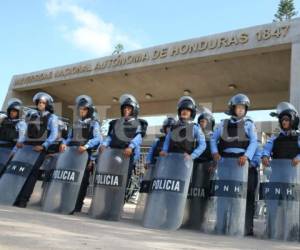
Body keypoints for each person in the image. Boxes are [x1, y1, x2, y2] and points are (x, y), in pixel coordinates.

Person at [14, 92, 59, 207]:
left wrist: (44, 146)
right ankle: (16, 196)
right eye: (39, 102)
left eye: (43, 103)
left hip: (39, 148)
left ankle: (24, 199)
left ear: (47, 104)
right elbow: (26, 132)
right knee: (21, 171)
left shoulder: (52, 117)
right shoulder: (32, 115)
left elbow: (53, 135)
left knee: (32, 174)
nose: (40, 104)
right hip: (26, 147)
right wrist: (21, 142)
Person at [60, 95, 102, 212]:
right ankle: (65, 201)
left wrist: (86, 146)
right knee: (68, 177)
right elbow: (69, 137)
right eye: (80, 109)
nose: (82, 111)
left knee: (82, 181)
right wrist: (64, 143)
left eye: (84, 109)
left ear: (89, 110)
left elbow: (98, 139)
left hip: (84, 155)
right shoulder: (76, 123)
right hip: (72, 154)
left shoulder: (94, 123)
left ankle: (76, 205)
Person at [100, 94, 148, 191]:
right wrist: (104, 144)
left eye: (129, 109)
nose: (126, 110)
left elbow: (138, 137)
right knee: (109, 181)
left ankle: (118, 204)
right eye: (124, 108)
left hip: (127, 156)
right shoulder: (116, 123)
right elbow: (110, 136)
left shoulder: (138, 123)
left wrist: (130, 147)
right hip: (113, 155)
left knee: (122, 183)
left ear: (134, 110)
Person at [210, 93, 258, 165]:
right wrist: (215, 152)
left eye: (243, 108)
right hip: (224, 160)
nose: (241, 110)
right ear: (233, 108)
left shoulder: (249, 124)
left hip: (241, 160)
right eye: (239, 107)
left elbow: (254, 141)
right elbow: (213, 139)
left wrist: (246, 156)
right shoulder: (223, 124)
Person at [160, 96, 206, 162]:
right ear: (179, 111)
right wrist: (164, 150)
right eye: (183, 109)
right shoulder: (173, 128)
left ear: (192, 112)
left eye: (187, 110)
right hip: (170, 161)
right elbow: (167, 141)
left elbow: (202, 145)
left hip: (185, 164)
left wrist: (192, 156)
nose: (185, 111)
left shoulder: (195, 128)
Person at [262, 102, 300, 167]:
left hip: (293, 172)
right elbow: (268, 145)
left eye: (286, 120)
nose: (284, 122)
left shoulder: (297, 135)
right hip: (277, 170)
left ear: (292, 121)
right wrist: (265, 155)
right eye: (282, 120)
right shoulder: (276, 133)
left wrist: (298, 158)